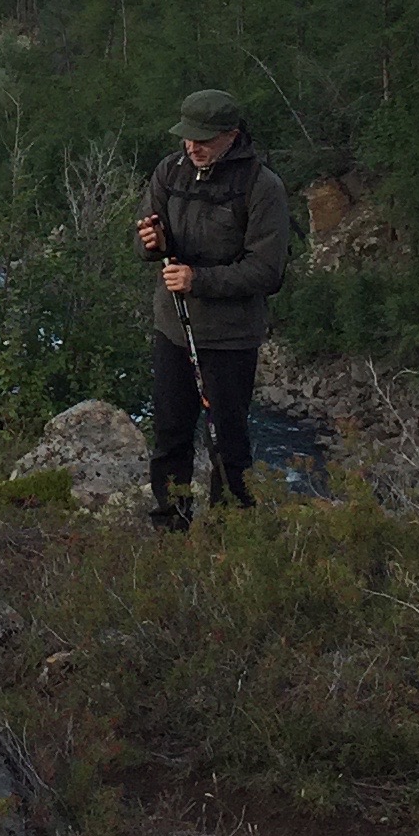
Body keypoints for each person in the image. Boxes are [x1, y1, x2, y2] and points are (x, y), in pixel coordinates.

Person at [133, 87, 289, 529]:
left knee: (228, 444)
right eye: (187, 137)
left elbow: (267, 271)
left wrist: (199, 281)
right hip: (173, 330)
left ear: (231, 136)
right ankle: (170, 525)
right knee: (170, 436)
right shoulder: (170, 172)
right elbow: (149, 237)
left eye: (202, 139)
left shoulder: (262, 186)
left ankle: (232, 534)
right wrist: (151, 244)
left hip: (230, 338)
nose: (192, 147)